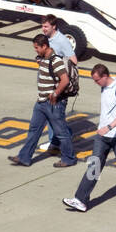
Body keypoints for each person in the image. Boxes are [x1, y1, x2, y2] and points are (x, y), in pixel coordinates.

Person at [63, 65, 116, 212]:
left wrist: (108, 127)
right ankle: (80, 199)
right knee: (94, 166)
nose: (96, 83)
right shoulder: (103, 88)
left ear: (105, 76)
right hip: (102, 136)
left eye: (97, 80)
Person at [8, 35, 77, 167]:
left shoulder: (55, 61)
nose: (35, 50)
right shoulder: (44, 58)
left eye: (37, 48)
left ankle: (69, 159)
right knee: (34, 130)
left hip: (53, 103)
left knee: (61, 133)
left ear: (44, 46)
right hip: (41, 102)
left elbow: (65, 80)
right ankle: (24, 157)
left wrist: (55, 93)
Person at [34, 15, 75, 154]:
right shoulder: (47, 40)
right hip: (47, 84)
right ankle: (58, 141)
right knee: (54, 117)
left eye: (46, 26)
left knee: (55, 117)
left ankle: (58, 142)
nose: (43, 29)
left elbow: (73, 60)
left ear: (54, 26)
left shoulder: (62, 41)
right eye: (42, 26)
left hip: (57, 86)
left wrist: (56, 63)